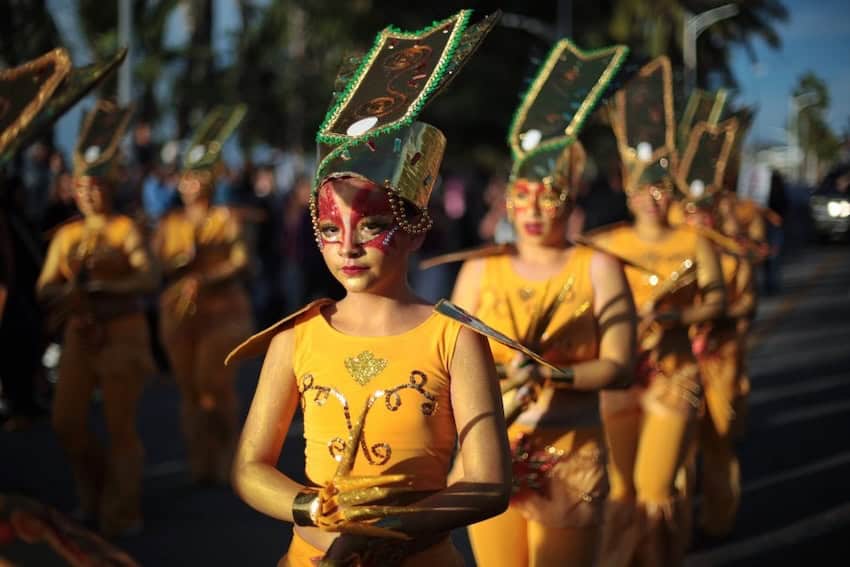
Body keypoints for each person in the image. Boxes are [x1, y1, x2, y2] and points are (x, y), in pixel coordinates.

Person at [227, 10, 513, 566]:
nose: (348, 246)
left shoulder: (453, 338)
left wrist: (386, 530)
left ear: (416, 230)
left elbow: (488, 482)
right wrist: (317, 516)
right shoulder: (297, 335)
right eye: (331, 229)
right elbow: (249, 466)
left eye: (373, 226)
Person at [439, 39, 634, 567]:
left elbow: (620, 365)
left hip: (572, 449)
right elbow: (451, 363)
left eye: (547, 193)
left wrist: (554, 376)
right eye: (521, 193)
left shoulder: (598, 267)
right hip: (493, 450)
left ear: (571, 197)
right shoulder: (481, 266)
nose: (532, 208)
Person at [590, 57, 725, 567]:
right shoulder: (603, 245)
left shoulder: (695, 241)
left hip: (673, 377)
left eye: (660, 186)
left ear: (671, 190)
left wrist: (676, 319)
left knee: (653, 487)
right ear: (626, 186)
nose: (651, 196)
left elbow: (718, 300)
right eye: (642, 185)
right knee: (620, 490)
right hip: (620, 379)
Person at [37, 100, 157, 537]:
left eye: (97, 184)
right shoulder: (66, 235)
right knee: (66, 420)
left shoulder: (126, 230)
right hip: (79, 335)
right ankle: (93, 490)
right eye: (81, 185)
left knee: (120, 426)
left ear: (111, 185)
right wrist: (72, 291)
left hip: (122, 333)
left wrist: (105, 289)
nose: (89, 193)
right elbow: (44, 287)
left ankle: (123, 509)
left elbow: (148, 276)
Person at [153, 105, 253, 485]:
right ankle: (200, 461)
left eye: (198, 176)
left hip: (223, 309)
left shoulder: (225, 218)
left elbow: (241, 261)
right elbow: (156, 266)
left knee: (216, 383)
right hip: (180, 311)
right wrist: (179, 263)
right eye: (186, 176)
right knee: (190, 387)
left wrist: (209, 276)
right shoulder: (170, 222)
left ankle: (231, 457)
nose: (190, 183)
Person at [675, 118, 754, 538]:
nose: (694, 218)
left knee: (718, 441)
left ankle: (719, 519)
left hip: (720, 356)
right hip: (680, 360)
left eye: (701, 210)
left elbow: (746, 305)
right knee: (679, 446)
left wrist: (715, 316)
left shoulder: (730, 252)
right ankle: (681, 526)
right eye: (687, 209)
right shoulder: (675, 251)